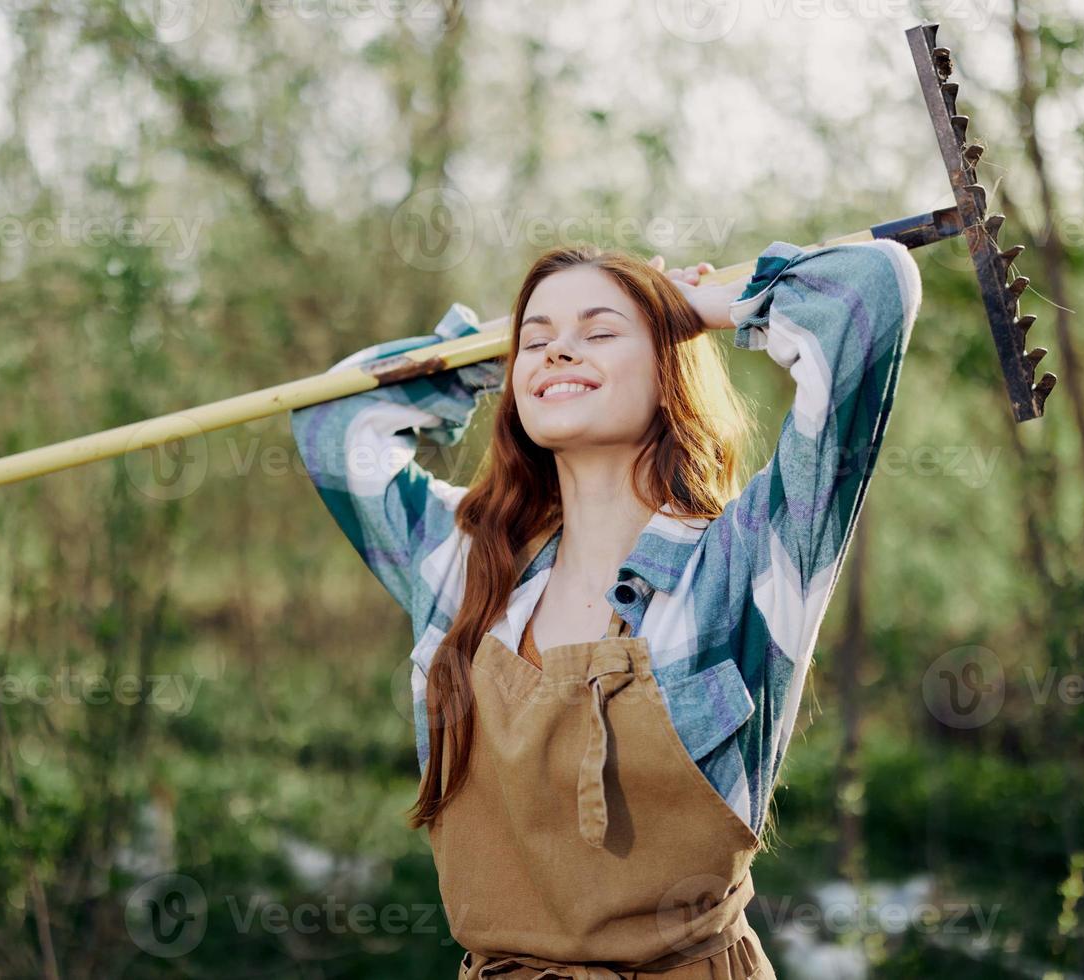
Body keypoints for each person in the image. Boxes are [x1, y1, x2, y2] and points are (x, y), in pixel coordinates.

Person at [290, 238, 922, 977]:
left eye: (600, 331)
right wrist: (491, 359)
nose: (560, 351)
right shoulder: (466, 567)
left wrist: (697, 308)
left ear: (666, 365)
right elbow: (330, 422)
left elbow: (871, 290)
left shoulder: (743, 563)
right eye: (538, 338)